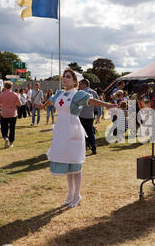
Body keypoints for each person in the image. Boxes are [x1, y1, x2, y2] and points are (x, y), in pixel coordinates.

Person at [36, 69, 117, 208]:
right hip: (61, 132)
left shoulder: (78, 94)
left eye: (68, 77)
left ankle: (77, 195)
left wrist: (106, 105)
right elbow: (50, 101)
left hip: (73, 130)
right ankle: (70, 194)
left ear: (75, 81)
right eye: (64, 77)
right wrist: (42, 106)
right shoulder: (59, 94)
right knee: (68, 164)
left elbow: (91, 100)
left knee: (75, 164)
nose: (65, 79)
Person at [0, 81, 22, 148]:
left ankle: (5, 137)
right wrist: (14, 104)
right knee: (12, 129)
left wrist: (0, 107)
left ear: (4, 86)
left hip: (4, 113)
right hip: (13, 113)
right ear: (11, 86)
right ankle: (11, 143)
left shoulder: (2, 94)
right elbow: (20, 104)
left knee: (4, 127)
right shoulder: (15, 94)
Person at [78, 78, 99, 155]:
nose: (79, 85)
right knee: (90, 132)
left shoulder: (81, 92)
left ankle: (83, 147)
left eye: (80, 84)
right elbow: (97, 103)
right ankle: (93, 148)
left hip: (82, 114)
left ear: (84, 84)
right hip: (90, 115)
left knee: (82, 132)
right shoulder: (94, 92)